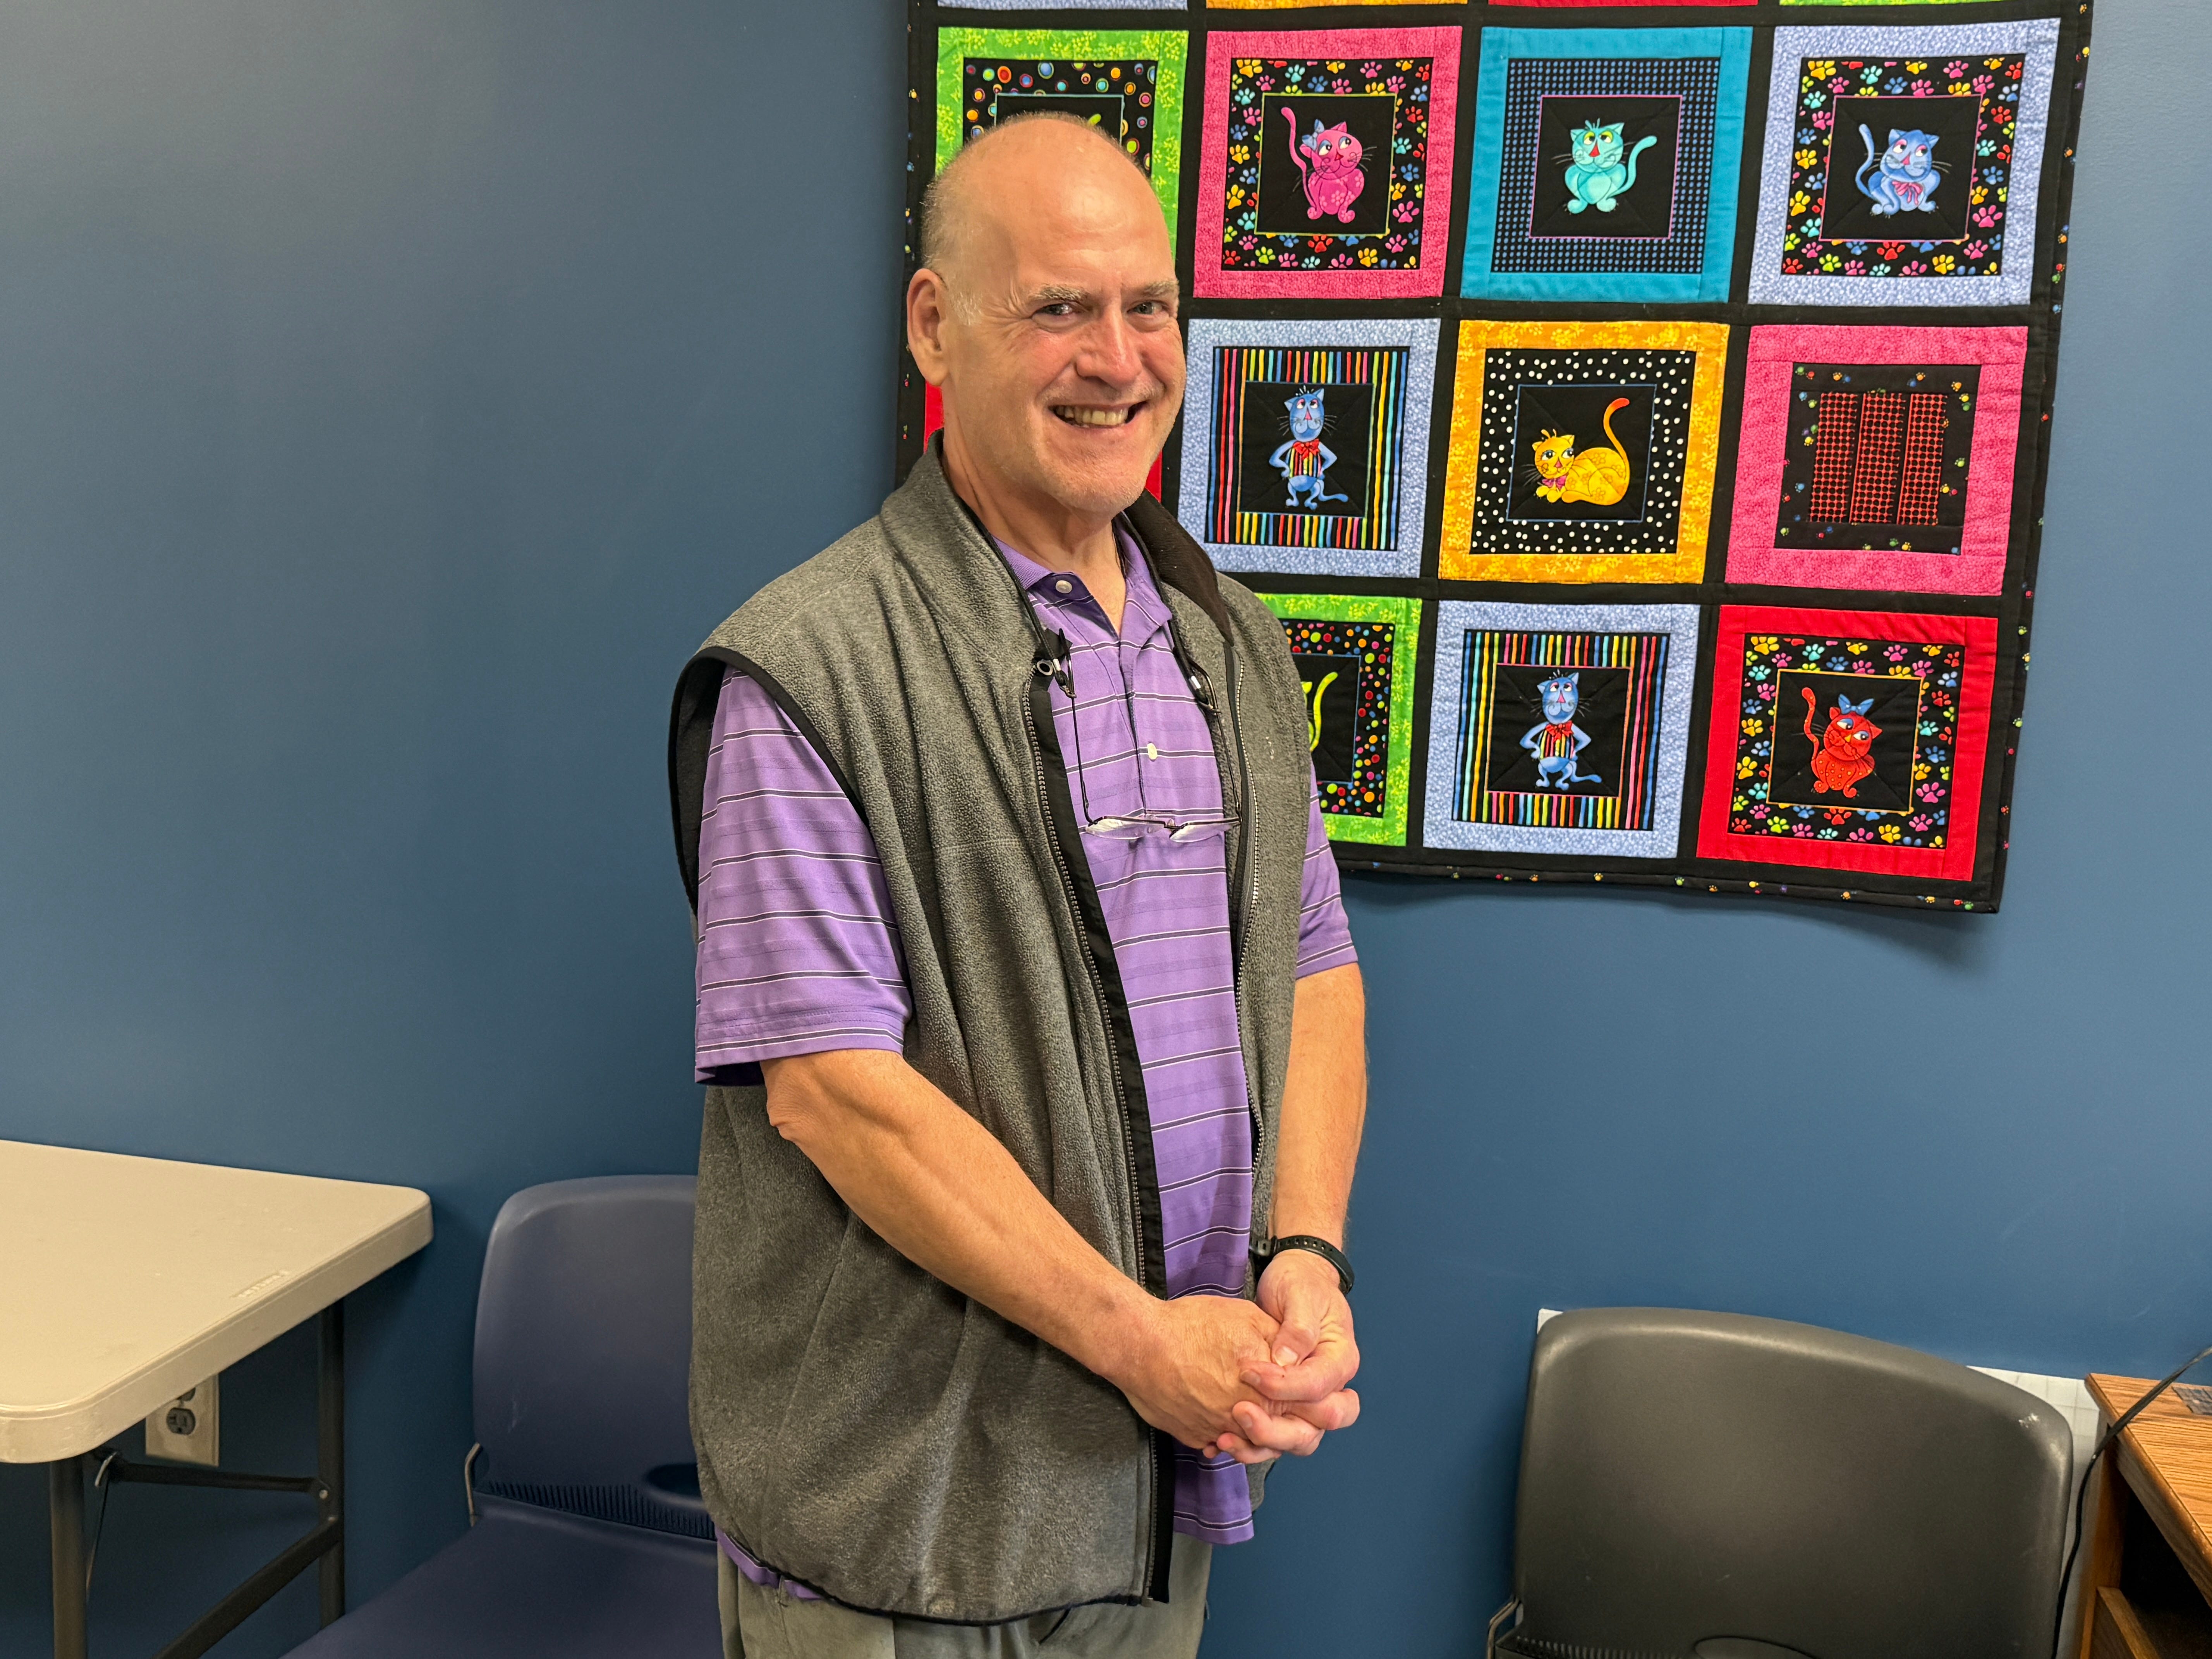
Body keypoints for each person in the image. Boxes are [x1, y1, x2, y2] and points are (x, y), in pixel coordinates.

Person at [666, 112, 1367, 1659]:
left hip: (1150, 1478)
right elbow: (837, 1098)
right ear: (936, 327)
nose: (1116, 359)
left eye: (1148, 308)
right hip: (905, 1519)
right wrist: (1146, 1347)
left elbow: (1312, 965)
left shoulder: (1228, 644)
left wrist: (1299, 1252)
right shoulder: (813, 669)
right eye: (1057, 307)